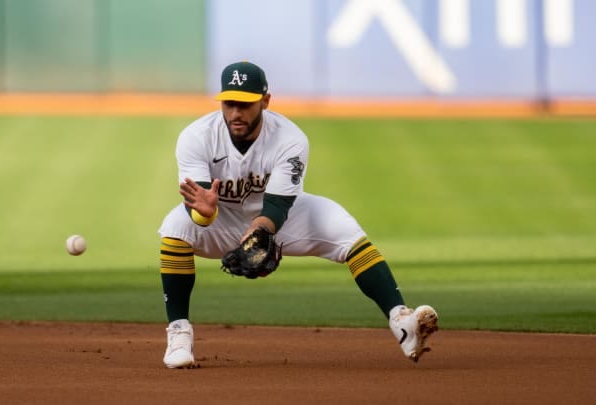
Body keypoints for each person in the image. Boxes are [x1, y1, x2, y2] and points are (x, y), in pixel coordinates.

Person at [158, 61, 438, 368]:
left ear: (265, 101)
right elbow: (197, 205)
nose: (236, 113)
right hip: (220, 219)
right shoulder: (196, 137)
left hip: (280, 217)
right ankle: (179, 333)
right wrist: (206, 215)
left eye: (246, 104)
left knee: (345, 229)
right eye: (229, 103)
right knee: (176, 227)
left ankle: (401, 320)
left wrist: (260, 232)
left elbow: (277, 207)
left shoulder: (290, 139)